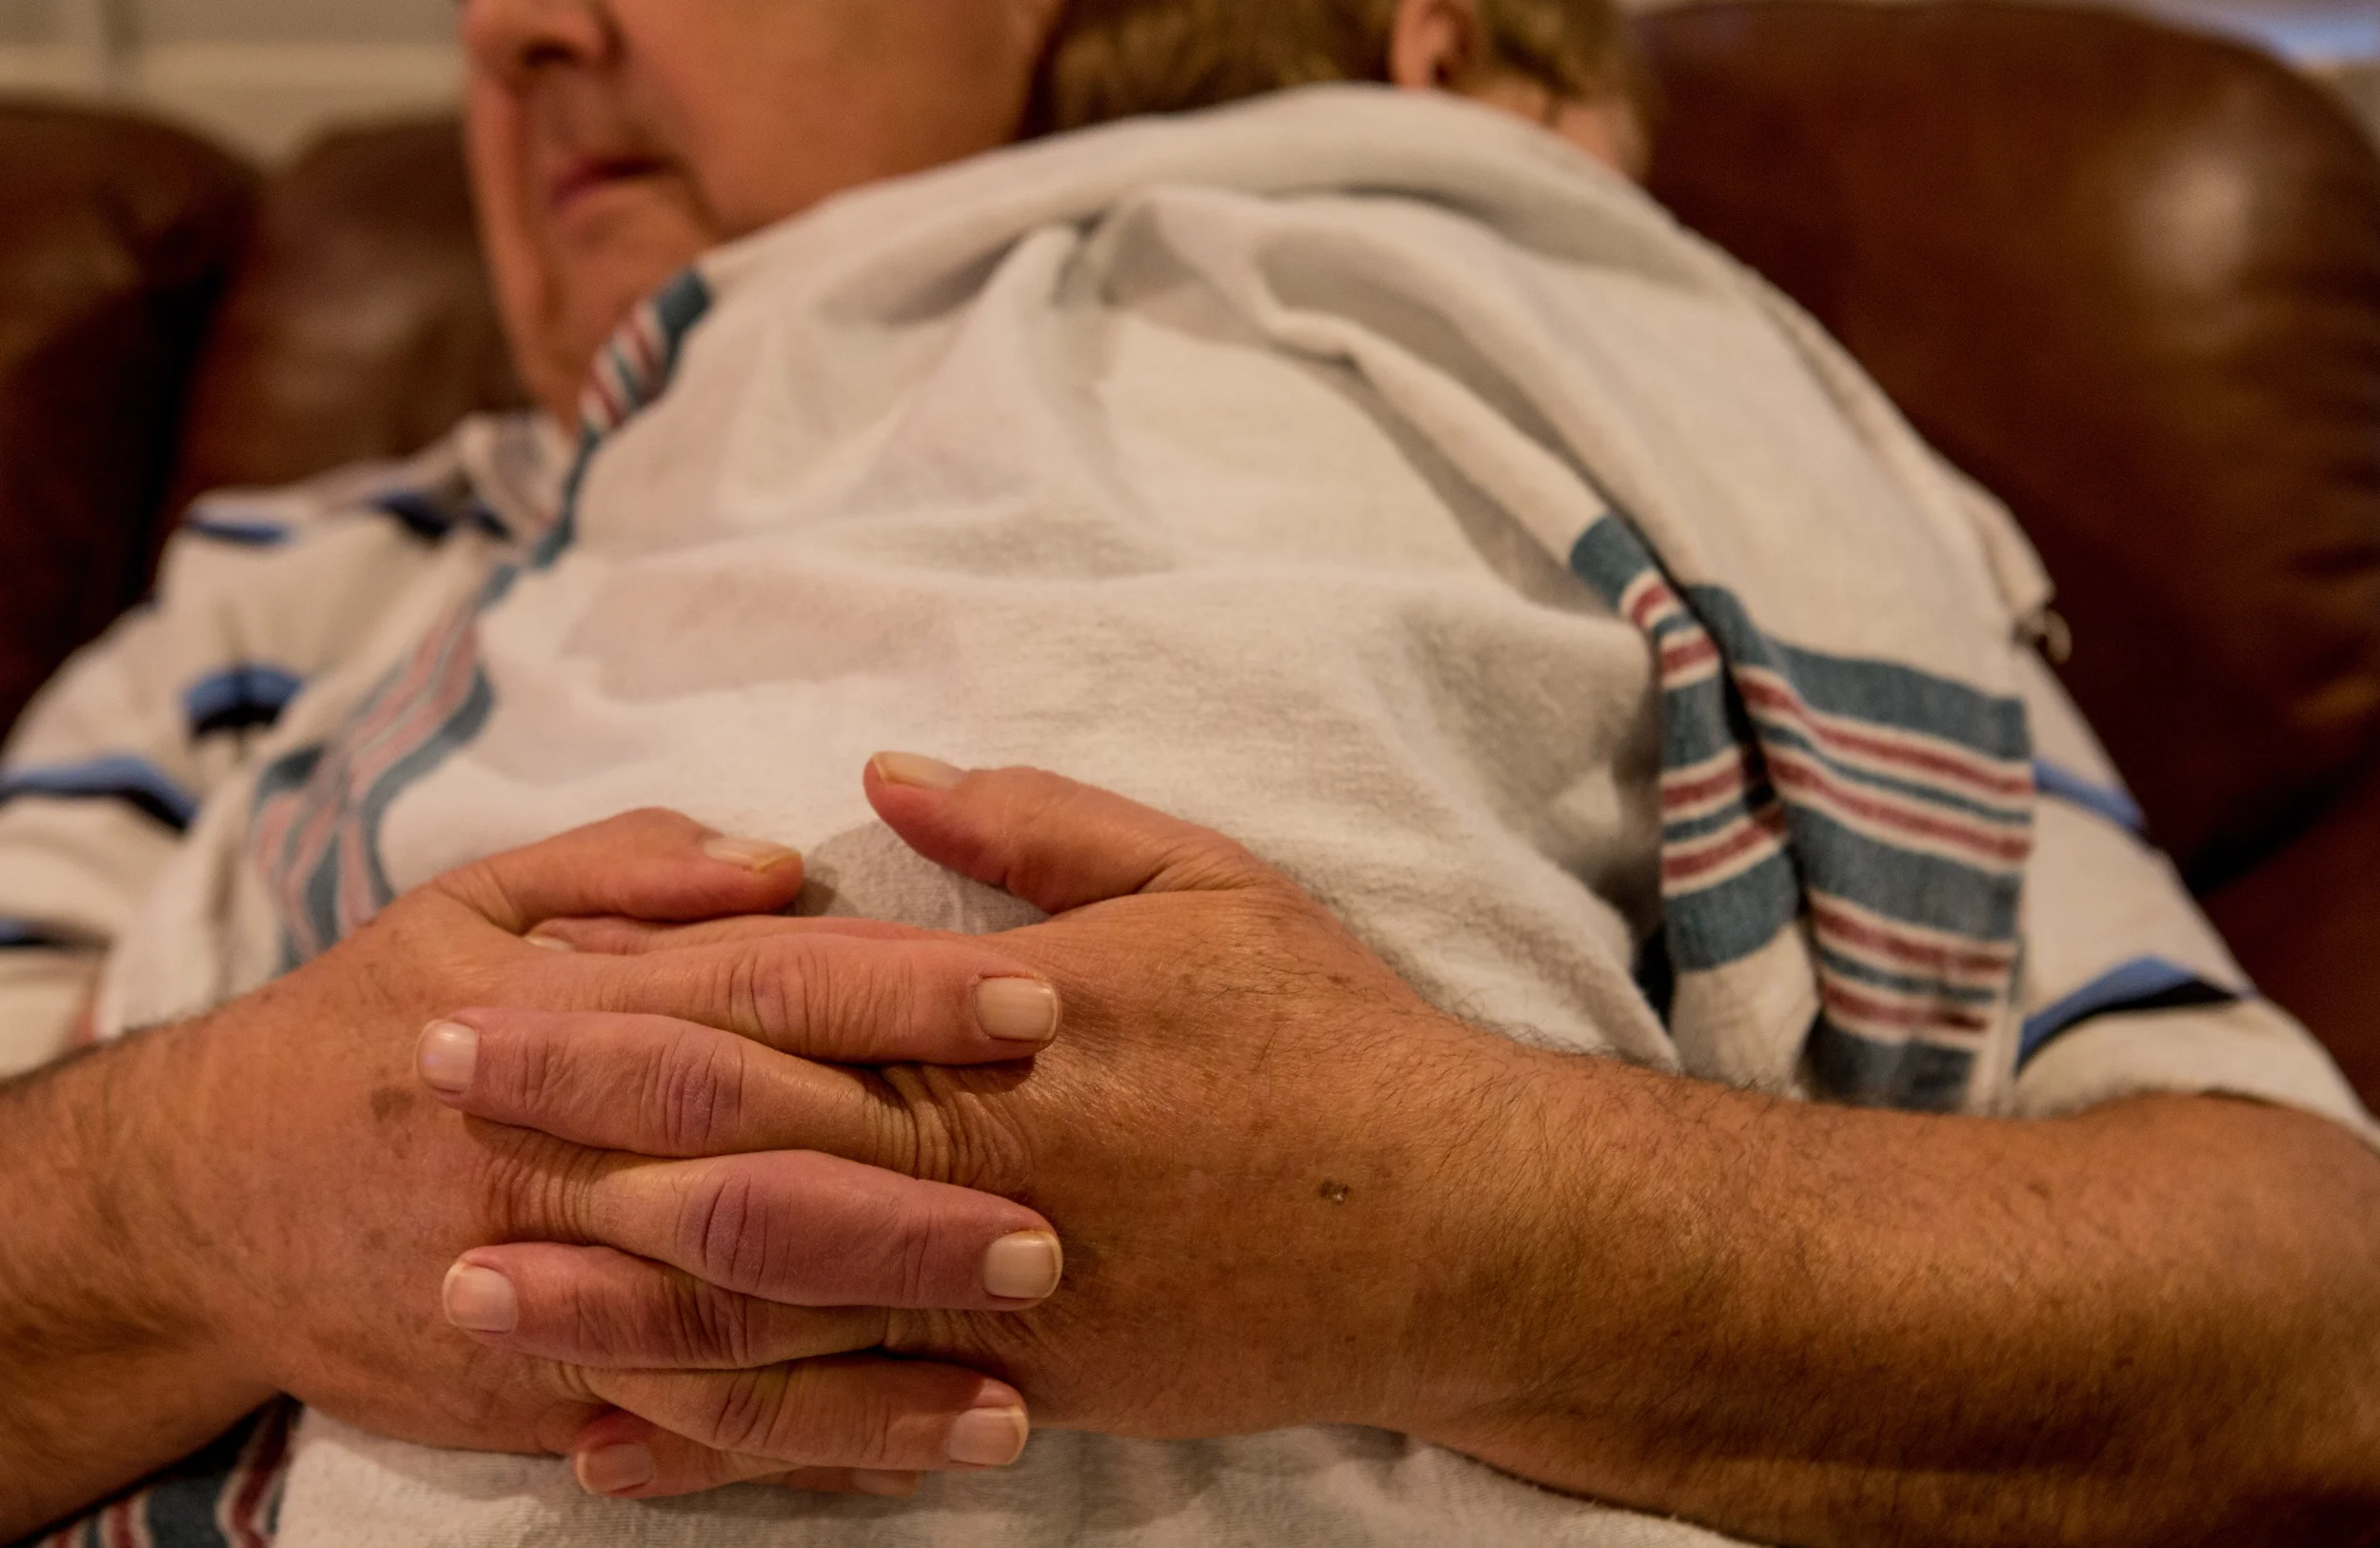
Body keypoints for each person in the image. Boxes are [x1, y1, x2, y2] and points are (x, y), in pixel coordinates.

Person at [2, 1, 2376, 1545]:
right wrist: (203, 1189)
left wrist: (1462, 1240)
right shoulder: (279, 602)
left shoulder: (1581, 436)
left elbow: (2315, 1323)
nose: (524, 28)